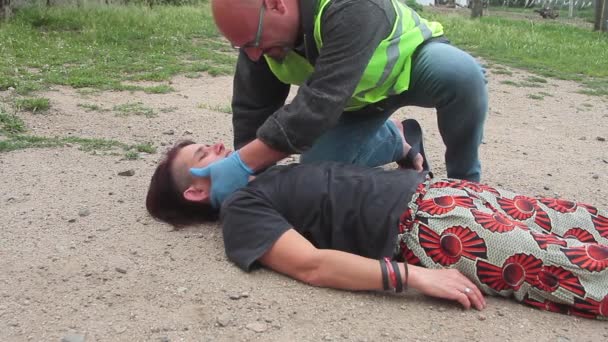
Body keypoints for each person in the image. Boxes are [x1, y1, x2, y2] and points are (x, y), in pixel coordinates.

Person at [146, 138, 608, 320]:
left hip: (443, 192)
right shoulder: (242, 212)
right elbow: (311, 265)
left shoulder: (265, 174)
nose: (216, 145)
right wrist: (411, 276)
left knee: (582, 219)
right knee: (580, 266)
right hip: (426, 228)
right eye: (200, 155)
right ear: (195, 192)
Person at [192, 0, 488, 209]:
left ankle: (466, 187)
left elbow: (317, 106)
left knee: (461, 76)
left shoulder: (350, 6)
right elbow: (252, 108)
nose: (254, 55)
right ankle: (398, 140)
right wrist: (250, 175)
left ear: (275, 4)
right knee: (316, 175)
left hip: (411, 68)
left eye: (252, 43)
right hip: (351, 103)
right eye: (243, 47)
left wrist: (242, 161)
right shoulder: (257, 38)